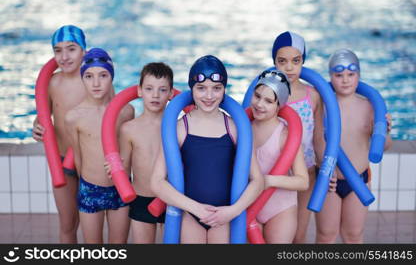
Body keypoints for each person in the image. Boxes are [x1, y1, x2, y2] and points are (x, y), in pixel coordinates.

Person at [151, 55, 264, 244]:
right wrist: (195, 209)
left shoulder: (235, 128)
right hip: (190, 215)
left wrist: (233, 211)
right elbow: (157, 181)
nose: (209, 96)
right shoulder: (180, 128)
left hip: (226, 216)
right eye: (201, 88)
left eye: (216, 88)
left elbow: (257, 180)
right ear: (192, 89)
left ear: (224, 90)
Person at [315, 49, 392, 243]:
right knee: (326, 235)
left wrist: (385, 132)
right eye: (338, 75)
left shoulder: (369, 106)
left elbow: (384, 147)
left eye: (351, 74)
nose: (345, 80)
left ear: (359, 75)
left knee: (354, 235)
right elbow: (315, 142)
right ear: (330, 77)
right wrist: (323, 170)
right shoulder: (321, 105)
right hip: (329, 181)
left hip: (359, 179)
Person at [65, 48, 134, 243]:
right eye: (89, 76)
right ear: (82, 79)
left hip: (120, 188)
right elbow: (78, 157)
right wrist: (83, 186)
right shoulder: (73, 117)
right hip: (90, 188)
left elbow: (129, 150)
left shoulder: (126, 112)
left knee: (118, 248)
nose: (96, 83)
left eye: (103, 75)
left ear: (111, 77)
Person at [106, 62, 174, 243]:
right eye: (149, 88)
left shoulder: (178, 127)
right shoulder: (129, 129)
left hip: (172, 198)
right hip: (141, 198)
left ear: (171, 94)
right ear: (139, 90)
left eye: (162, 90)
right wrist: (115, 169)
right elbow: (125, 168)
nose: (155, 95)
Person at [32, 25, 87, 243]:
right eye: (57, 50)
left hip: (89, 162)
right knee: (67, 224)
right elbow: (43, 116)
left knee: (92, 223)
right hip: (62, 162)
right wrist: (37, 127)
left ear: (83, 50)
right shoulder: (53, 83)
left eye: (71, 49)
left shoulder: (94, 80)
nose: (64, 56)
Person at [271, 31, 325, 243]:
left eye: (296, 60)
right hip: (276, 175)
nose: (289, 67)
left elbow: (318, 139)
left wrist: (327, 170)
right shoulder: (267, 94)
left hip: (307, 175)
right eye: (282, 61)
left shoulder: (313, 95)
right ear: (274, 62)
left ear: (303, 60)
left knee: (298, 236)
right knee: (275, 234)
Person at [250, 69, 309, 243]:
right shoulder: (243, 128)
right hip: (250, 204)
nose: (260, 104)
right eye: (257, 96)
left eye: (268, 101)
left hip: (280, 209)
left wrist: (267, 181)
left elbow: (303, 181)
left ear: (279, 106)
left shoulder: (285, 136)